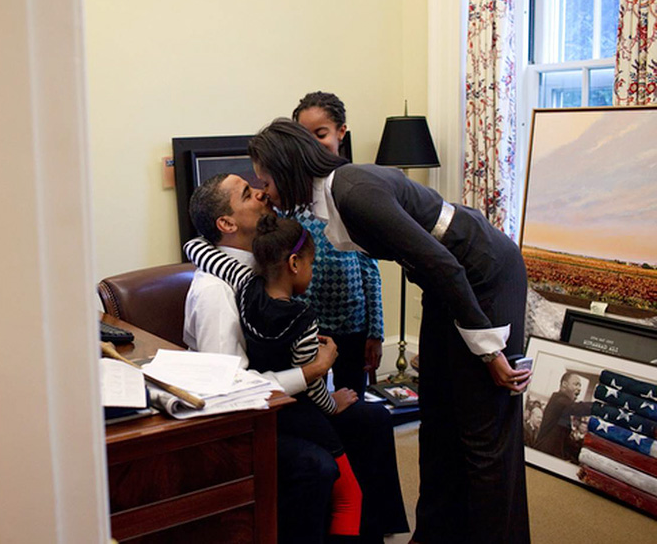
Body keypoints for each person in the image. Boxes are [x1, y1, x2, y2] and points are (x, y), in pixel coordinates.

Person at [246, 118, 534, 544]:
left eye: (265, 180)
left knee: (482, 432)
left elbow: (444, 263)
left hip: (485, 274)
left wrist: (489, 352)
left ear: (286, 168)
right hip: (446, 283)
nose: (265, 191)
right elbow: (433, 268)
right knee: (438, 420)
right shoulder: (335, 195)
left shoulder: (352, 190)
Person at [184, 173, 408, 543]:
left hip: (291, 402)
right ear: (226, 223)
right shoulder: (214, 293)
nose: (261, 192)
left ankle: (373, 534)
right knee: (316, 465)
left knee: (373, 418)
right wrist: (311, 372)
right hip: (251, 419)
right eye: (247, 194)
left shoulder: (263, 263)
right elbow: (230, 391)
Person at [291, 91, 384, 393]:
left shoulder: (353, 189)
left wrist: (376, 331)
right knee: (312, 395)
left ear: (341, 132)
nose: (311, 145)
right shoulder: (292, 195)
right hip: (305, 317)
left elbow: (370, 264)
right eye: (304, 137)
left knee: (351, 394)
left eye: (320, 134)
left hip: (352, 319)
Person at [533, 371, 591, 461]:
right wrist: (597, 407)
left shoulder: (564, 411)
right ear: (564, 384)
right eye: (576, 384)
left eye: (580, 386)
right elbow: (576, 407)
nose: (579, 389)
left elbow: (564, 439)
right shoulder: (558, 400)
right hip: (544, 456)